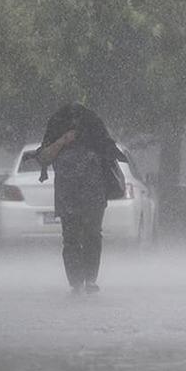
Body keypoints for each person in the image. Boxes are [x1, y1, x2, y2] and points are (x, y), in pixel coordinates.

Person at [27, 103, 127, 295]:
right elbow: (45, 157)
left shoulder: (94, 132)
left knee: (90, 235)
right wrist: (64, 140)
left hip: (89, 194)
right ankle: (78, 282)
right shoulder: (61, 128)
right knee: (75, 237)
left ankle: (88, 280)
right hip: (72, 194)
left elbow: (108, 153)